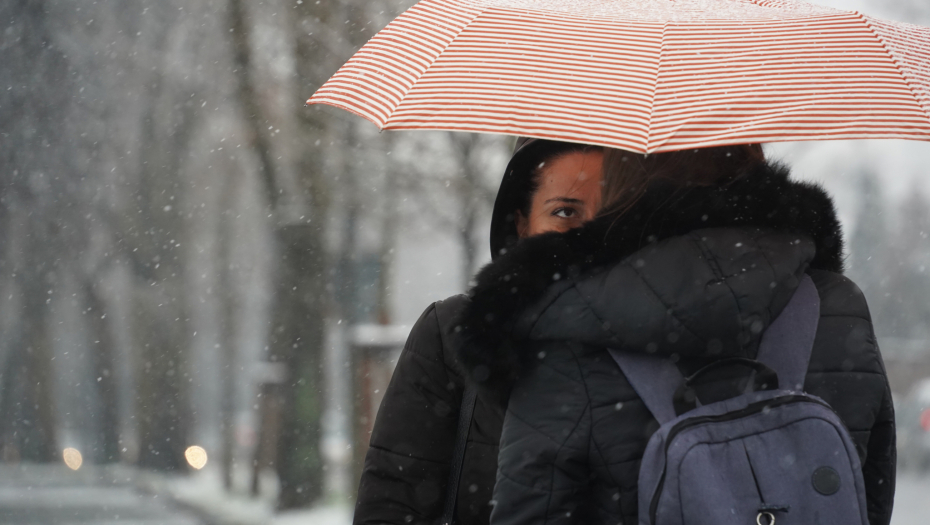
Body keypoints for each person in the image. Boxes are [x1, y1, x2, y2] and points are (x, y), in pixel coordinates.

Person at [455, 145, 897, 525]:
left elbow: (531, 511)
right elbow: (868, 496)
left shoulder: (565, 334)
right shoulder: (837, 306)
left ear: (621, 192)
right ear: (756, 166)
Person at [353, 138, 605, 525]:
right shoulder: (450, 337)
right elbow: (392, 504)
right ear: (522, 223)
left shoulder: (671, 343)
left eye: (610, 215)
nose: (586, 234)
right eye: (565, 211)